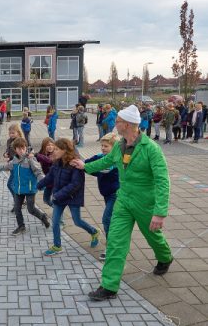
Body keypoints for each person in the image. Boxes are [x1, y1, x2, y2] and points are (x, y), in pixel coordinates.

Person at [71, 104, 173, 301]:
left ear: (127, 124)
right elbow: (105, 162)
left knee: (154, 237)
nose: (114, 124)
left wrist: (160, 212)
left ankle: (165, 257)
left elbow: (162, 180)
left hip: (145, 204)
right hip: (123, 201)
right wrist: (85, 166)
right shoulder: (119, 146)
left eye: (117, 121)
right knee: (116, 242)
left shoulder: (151, 149)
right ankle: (109, 286)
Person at [38, 138, 99, 256]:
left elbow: (75, 184)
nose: (53, 151)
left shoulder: (75, 164)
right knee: (55, 222)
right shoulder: (57, 162)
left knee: (77, 221)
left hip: (72, 197)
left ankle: (94, 232)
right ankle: (57, 246)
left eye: (56, 149)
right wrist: (40, 184)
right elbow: (50, 177)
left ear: (64, 150)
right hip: (59, 198)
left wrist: (58, 195)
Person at [0, 137, 50, 235]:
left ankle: (43, 217)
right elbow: (6, 166)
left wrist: (42, 182)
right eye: (19, 148)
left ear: (26, 148)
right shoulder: (14, 161)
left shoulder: (31, 159)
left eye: (23, 148)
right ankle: (21, 226)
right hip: (18, 189)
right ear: (15, 150)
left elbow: (38, 172)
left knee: (31, 209)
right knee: (17, 208)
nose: (21, 150)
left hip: (30, 189)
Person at [84, 133, 120, 260]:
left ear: (114, 147)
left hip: (115, 194)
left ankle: (111, 249)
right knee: (113, 221)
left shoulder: (116, 162)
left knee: (106, 219)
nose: (103, 148)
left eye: (106, 146)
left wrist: (92, 169)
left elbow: (102, 173)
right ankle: (117, 243)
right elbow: (86, 164)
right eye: (102, 146)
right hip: (106, 194)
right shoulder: (100, 157)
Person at [4, 124, 25, 211]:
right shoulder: (9, 141)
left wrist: (11, 158)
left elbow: (21, 154)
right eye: (10, 133)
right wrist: (5, 154)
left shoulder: (20, 141)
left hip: (18, 165)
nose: (11, 135)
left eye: (13, 133)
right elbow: (8, 150)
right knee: (15, 185)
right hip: (11, 165)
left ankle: (18, 202)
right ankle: (19, 202)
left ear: (18, 133)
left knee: (10, 184)